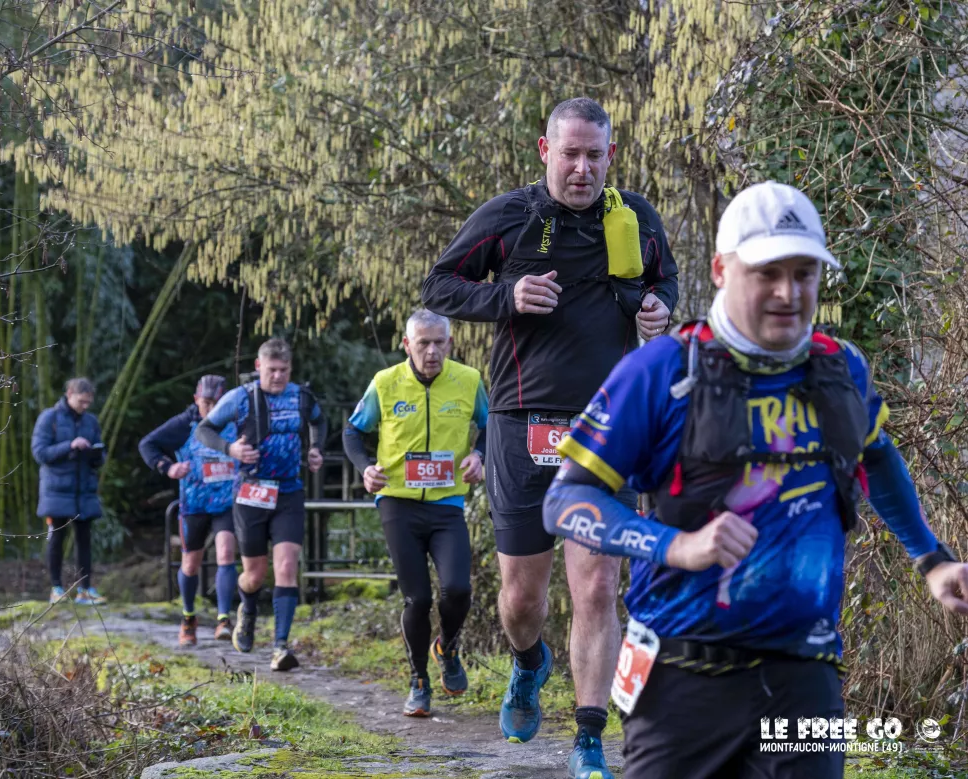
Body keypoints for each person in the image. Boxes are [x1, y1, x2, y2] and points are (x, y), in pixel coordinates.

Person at [541, 181, 968, 778]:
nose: (788, 293)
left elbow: (876, 455)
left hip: (806, 674)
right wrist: (677, 546)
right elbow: (565, 501)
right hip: (680, 679)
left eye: (804, 273)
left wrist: (932, 558)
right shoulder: (661, 371)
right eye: (767, 273)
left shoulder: (841, 368)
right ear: (721, 270)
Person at [421, 97, 679, 777]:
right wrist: (504, 298)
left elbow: (664, 281)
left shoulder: (636, 218)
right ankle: (529, 660)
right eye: (570, 154)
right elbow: (438, 285)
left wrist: (659, 309)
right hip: (520, 424)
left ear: (611, 156)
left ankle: (589, 737)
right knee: (522, 600)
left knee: (597, 587)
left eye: (595, 155)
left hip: (608, 428)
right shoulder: (510, 217)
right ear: (546, 151)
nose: (582, 168)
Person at [342, 309, 488, 717]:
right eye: (423, 343)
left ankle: (448, 647)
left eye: (440, 342)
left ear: (450, 343)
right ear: (407, 345)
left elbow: (492, 424)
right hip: (398, 503)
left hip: (447, 504)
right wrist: (365, 468)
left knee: (457, 590)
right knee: (417, 597)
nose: (432, 351)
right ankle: (418, 681)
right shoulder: (385, 383)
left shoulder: (469, 380)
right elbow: (352, 431)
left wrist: (479, 454)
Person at [195, 338, 327, 671]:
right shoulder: (239, 398)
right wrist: (230, 449)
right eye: (272, 370)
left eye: (284, 370)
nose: (278, 376)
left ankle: (281, 646)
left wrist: (315, 449)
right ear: (258, 367)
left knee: (286, 567)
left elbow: (319, 420)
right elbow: (204, 430)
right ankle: (248, 609)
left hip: (288, 492)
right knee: (254, 575)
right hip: (251, 493)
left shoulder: (301, 396)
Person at [139, 374, 239, 646]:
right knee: (190, 564)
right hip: (194, 505)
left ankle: (224, 619)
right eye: (206, 403)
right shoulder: (185, 423)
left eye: (217, 403)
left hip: (227, 503)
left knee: (226, 554)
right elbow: (147, 444)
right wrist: (168, 467)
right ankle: (188, 617)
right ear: (196, 400)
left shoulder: (237, 421)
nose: (211, 408)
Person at [31, 377, 108, 606]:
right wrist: (70, 445)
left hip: (84, 491)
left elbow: (100, 454)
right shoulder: (50, 418)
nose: (85, 406)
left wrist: (96, 455)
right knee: (57, 538)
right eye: (81, 401)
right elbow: (40, 453)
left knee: (84, 540)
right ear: (70, 394)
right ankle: (56, 588)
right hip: (56, 491)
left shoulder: (91, 421)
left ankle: (85, 589)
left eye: (88, 402)